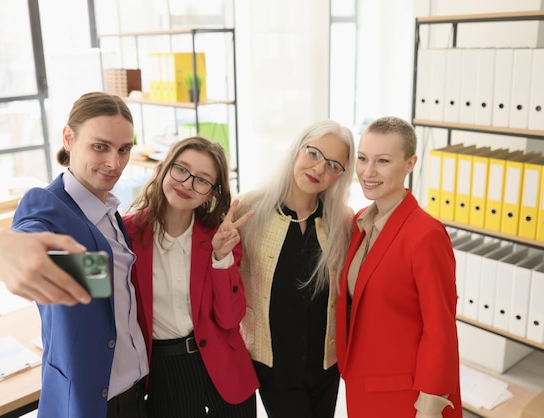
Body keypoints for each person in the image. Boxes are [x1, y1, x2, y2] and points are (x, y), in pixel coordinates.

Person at [0, 92, 149, 418]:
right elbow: (25, 233)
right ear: (69, 138)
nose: (115, 163)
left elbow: (106, 294)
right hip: (91, 401)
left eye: (124, 149)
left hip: (136, 391)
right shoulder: (47, 206)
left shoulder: (109, 210)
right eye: (100, 146)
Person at [123, 136, 259, 418]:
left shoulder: (220, 238)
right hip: (165, 374)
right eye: (181, 169)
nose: (187, 183)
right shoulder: (127, 234)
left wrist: (221, 258)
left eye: (202, 180)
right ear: (164, 168)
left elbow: (230, 319)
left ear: (211, 193)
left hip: (225, 373)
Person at [335, 116, 462, 417]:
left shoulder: (426, 235)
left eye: (383, 161)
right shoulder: (360, 221)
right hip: (362, 382)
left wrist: (430, 405)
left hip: (406, 393)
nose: (368, 172)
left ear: (410, 164)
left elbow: (440, 327)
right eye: (363, 159)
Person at [235, 120, 356, 418]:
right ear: (297, 150)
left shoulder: (342, 220)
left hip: (325, 365)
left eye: (332, 165)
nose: (318, 169)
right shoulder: (248, 208)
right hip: (274, 363)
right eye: (314, 154)